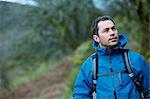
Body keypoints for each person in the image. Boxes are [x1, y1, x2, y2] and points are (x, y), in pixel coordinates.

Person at [72, 16, 150, 99]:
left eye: (113, 29)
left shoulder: (135, 59)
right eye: (106, 30)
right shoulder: (90, 65)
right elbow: (80, 95)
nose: (112, 33)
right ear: (96, 38)